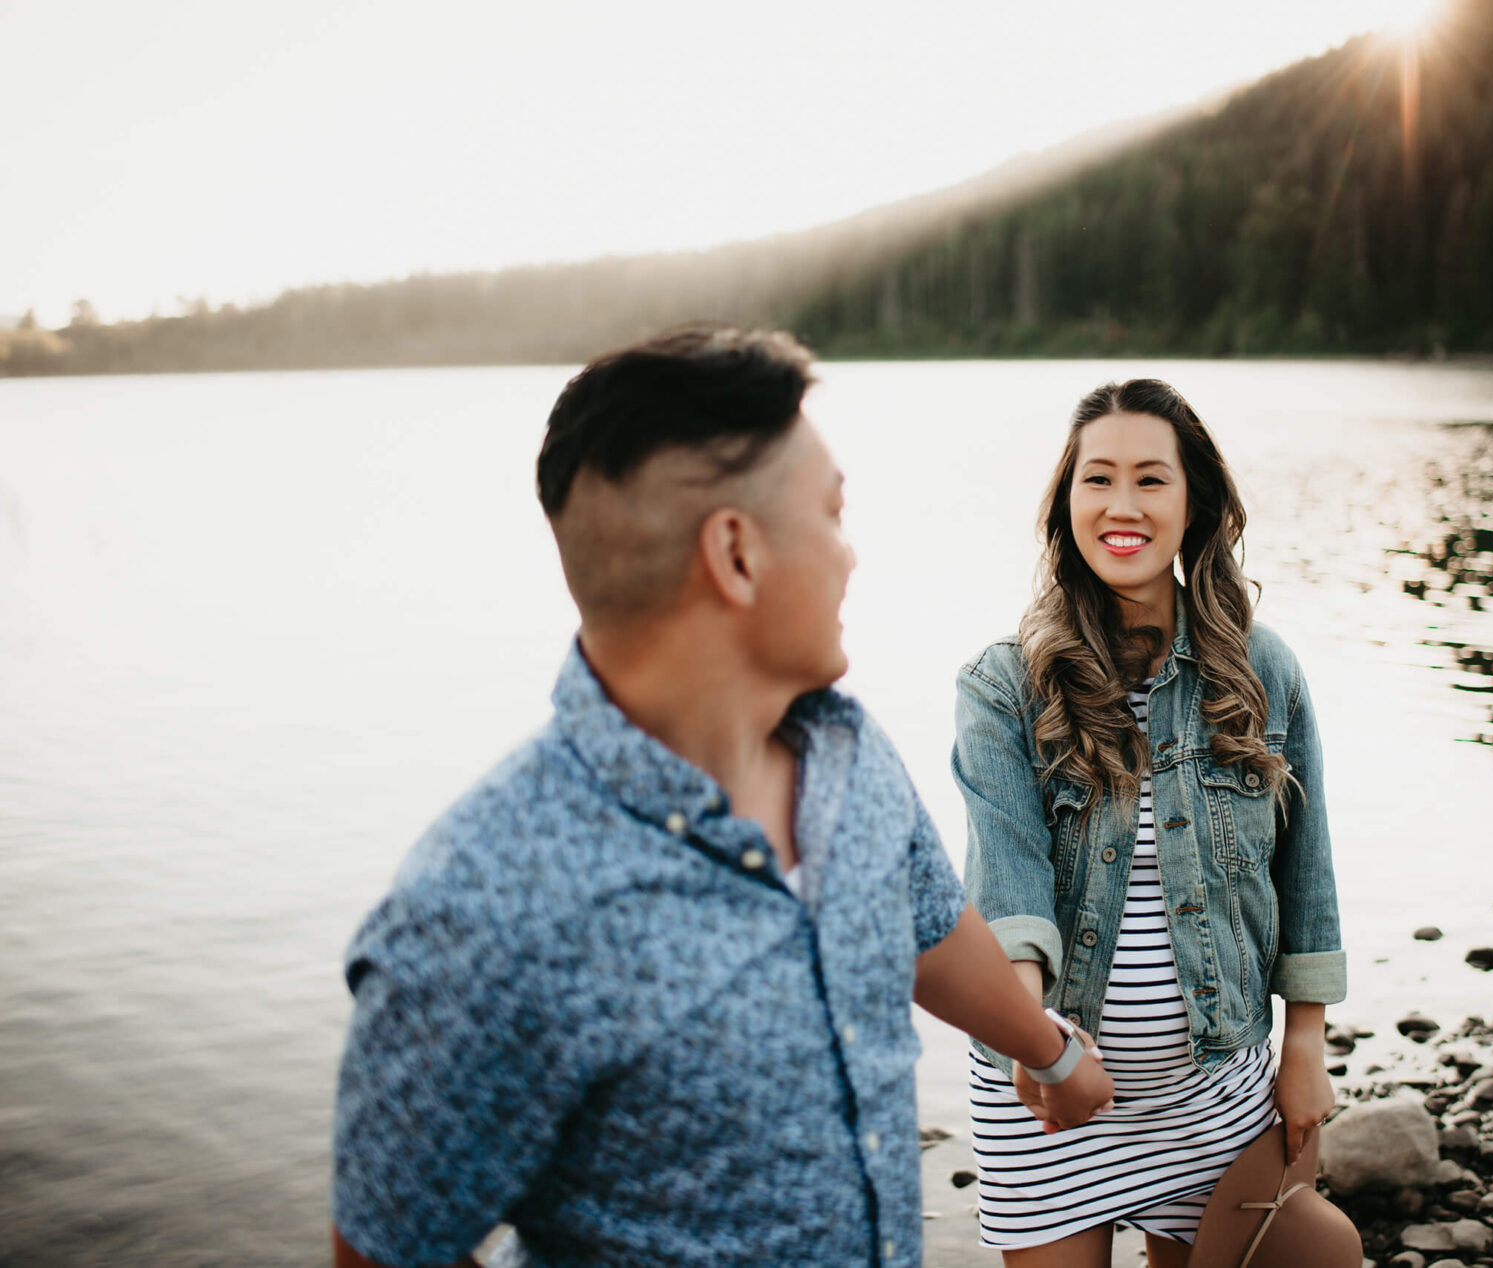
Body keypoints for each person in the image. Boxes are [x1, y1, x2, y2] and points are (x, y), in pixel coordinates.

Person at [329, 326, 1113, 1268]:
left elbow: (924, 923)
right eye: (829, 516)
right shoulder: (482, 909)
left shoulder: (848, 750)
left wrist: (1050, 1051)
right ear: (735, 553)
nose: (850, 556)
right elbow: (390, 1249)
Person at [952, 379, 1348, 1268]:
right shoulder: (1002, 687)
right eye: (1096, 480)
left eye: (1150, 480)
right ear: (1067, 504)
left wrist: (1306, 1048)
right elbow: (1007, 886)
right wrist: (1034, 1044)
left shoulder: (1262, 669)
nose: (1120, 506)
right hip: (1049, 1095)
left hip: (1213, 1093)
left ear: (1195, 504)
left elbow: (1307, 876)